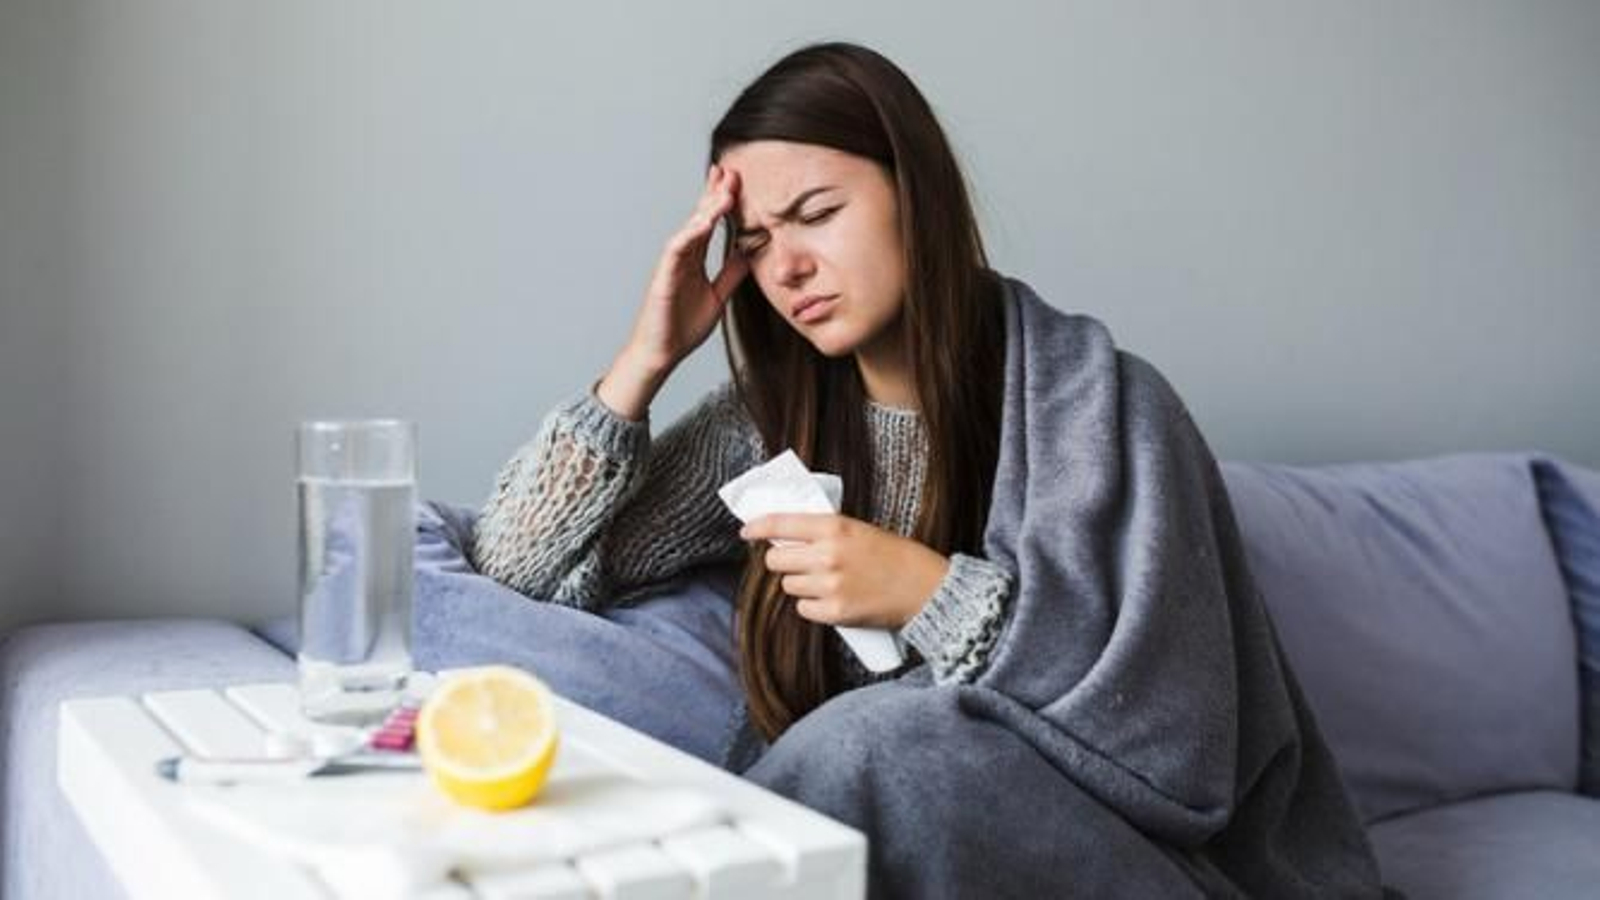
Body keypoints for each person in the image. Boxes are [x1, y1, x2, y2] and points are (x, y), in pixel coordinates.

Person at [470, 41, 1392, 899]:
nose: (787, 268)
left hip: (1142, 860)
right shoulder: (768, 425)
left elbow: (1177, 738)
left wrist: (928, 594)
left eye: (817, 215)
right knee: (873, 749)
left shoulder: (1105, 407)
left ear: (918, 192)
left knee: (879, 744)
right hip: (901, 860)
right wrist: (645, 360)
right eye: (753, 243)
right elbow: (514, 570)